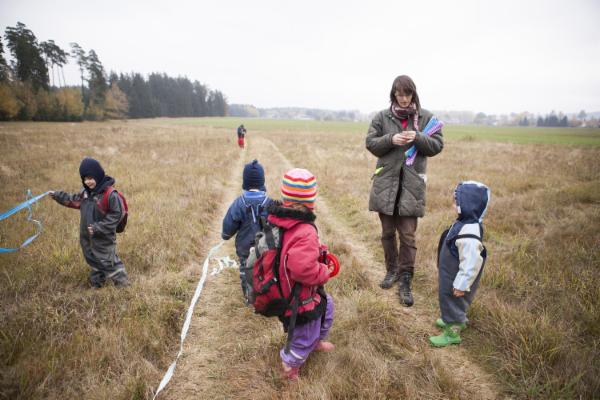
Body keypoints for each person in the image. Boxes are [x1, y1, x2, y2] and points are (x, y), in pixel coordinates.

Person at [366, 75, 444, 307]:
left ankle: (405, 279)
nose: (403, 98)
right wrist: (391, 139)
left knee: (408, 236)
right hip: (386, 185)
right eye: (399, 94)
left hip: (412, 187)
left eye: (407, 94)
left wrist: (418, 137)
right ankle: (391, 271)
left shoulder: (427, 118)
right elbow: (370, 143)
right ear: (393, 94)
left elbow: (437, 146)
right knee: (387, 233)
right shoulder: (381, 117)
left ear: (413, 94)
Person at [266, 168, 334, 381]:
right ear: (310, 201)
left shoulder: (282, 220)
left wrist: (318, 250)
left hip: (287, 287)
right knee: (304, 334)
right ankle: (290, 364)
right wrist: (323, 272)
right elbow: (302, 269)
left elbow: (291, 249)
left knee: (327, 307)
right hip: (299, 297)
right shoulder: (304, 230)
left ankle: (316, 342)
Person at [50, 157, 129, 288]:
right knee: (92, 258)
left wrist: (99, 227)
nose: (88, 182)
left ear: (98, 175)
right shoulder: (85, 193)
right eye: (85, 179)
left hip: (103, 235)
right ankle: (97, 282)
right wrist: (58, 196)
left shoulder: (110, 194)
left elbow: (117, 214)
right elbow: (73, 200)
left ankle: (123, 285)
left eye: (91, 178)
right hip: (87, 235)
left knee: (108, 261)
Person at [429, 181, 490, 347]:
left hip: (458, 278)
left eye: (456, 202)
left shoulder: (470, 234)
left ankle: (453, 332)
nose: (453, 205)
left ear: (469, 205)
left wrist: (461, 284)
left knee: (454, 301)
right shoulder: (464, 223)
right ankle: (452, 319)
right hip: (450, 273)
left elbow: (471, 262)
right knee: (447, 298)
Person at [221, 159, 271, 300]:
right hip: (266, 248)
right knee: (266, 269)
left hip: (245, 248)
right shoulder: (270, 203)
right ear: (262, 182)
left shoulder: (239, 203)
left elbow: (229, 223)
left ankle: (250, 296)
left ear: (245, 182)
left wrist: (226, 234)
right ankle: (265, 294)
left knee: (246, 270)